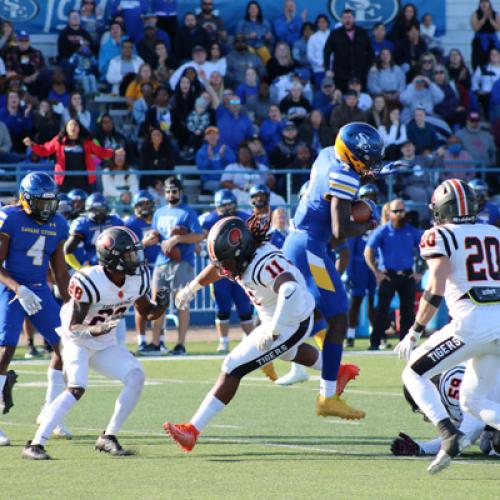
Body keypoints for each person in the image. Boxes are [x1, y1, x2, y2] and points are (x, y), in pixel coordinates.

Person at [163, 214, 324, 452]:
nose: (224, 270)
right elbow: (217, 267)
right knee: (288, 354)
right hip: (282, 314)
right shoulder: (243, 255)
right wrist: (192, 287)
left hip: (292, 319)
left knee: (232, 366)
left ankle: (192, 430)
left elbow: (289, 289)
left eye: (226, 263)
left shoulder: (261, 264)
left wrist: (276, 330)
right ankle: (336, 370)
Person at [22, 226, 168, 460]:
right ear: (112, 258)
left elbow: (147, 311)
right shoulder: (90, 280)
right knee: (76, 387)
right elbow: (74, 326)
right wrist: (96, 329)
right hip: (77, 340)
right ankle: (35, 444)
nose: (137, 260)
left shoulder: (137, 278)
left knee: (136, 375)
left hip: (105, 342)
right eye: (130, 255)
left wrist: (161, 305)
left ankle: (108, 436)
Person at [394, 178, 500, 474]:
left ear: (442, 209)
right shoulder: (494, 232)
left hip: (472, 321)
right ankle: (453, 434)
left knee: (413, 373)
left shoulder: (439, 235)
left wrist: (415, 330)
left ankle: (447, 434)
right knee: (472, 399)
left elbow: (436, 283)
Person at [282, 122, 384, 419]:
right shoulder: (343, 174)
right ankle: (328, 396)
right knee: (339, 320)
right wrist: (368, 222)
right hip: (311, 248)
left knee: (315, 314)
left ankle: (326, 375)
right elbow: (339, 231)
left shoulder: (328, 154)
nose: (370, 164)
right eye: (367, 158)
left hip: (299, 242)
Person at [0, 172, 71, 447]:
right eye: (41, 202)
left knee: (64, 345)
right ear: (26, 199)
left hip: (40, 288)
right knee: (6, 348)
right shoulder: (10, 218)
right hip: (10, 287)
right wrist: (18, 288)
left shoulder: (58, 223)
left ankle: (50, 413)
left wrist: (70, 304)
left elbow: (61, 272)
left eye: (50, 202)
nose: (47, 209)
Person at [144, 177, 204, 356]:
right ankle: (155, 343)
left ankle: (180, 345)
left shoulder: (188, 212)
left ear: (181, 192)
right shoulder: (159, 212)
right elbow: (156, 233)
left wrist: (178, 238)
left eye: (174, 191)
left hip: (182, 262)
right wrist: (150, 238)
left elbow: (198, 236)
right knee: (157, 303)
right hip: (162, 261)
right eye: (168, 191)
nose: (171, 194)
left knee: (181, 303)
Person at [391, 364, 500, 459]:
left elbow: (475, 425)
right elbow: (454, 434)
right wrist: (420, 447)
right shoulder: (445, 388)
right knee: (486, 445)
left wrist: (451, 449)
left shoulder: (450, 384)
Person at [199, 190, 253, 354]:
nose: (227, 208)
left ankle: (251, 342)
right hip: (221, 269)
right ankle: (223, 342)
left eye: (230, 204)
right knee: (222, 306)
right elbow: (202, 238)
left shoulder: (244, 217)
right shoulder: (209, 219)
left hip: (241, 268)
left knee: (244, 307)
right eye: (224, 205)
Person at [364, 198, 422, 350]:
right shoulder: (382, 231)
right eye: (396, 211)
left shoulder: (411, 231)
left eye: (402, 211)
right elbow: (368, 251)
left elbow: (426, 249)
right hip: (388, 275)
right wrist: (376, 272)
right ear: (389, 213)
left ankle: (406, 343)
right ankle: (375, 342)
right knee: (382, 311)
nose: (400, 214)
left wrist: (421, 272)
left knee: (408, 312)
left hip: (407, 275)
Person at [24, 120, 120, 193]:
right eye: (70, 125)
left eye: (75, 125)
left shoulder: (87, 141)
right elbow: (45, 150)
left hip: (84, 179)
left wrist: (114, 153)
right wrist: (32, 145)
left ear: (79, 128)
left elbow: (101, 152)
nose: (73, 127)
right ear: (66, 128)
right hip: (64, 180)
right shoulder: (59, 141)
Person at [124, 191, 162, 355]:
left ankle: (158, 341)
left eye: (148, 204)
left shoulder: (158, 220)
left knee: (160, 304)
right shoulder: (130, 223)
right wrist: (143, 244)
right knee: (141, 304)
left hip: (159, 266)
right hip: (138, 267)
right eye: (141, 204)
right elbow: (124, 249)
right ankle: (141, 341)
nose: (145, 207)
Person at [345, 184, 379, 348]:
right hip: (359, 265)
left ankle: (375, 335)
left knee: (375, 302)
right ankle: (350, 335)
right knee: (356, 300)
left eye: (372, 197)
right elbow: (350, 250)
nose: (370, 201)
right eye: (366, 197)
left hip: (375, 266)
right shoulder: (356, 221)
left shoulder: (380, 219)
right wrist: (349, 272)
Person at [64, 193, 124, 271]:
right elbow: (67, 250)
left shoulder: (115, 220)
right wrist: (80, 269)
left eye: (100, 209)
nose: (98, 213)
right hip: (93, 264)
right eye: (95, 210)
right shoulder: (82, 223)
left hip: (114, 261)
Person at [323, 9, 373, 92]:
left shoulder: (362, 32)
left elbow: (370, 50)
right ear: (341, 19)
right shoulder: (335, 34)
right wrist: (327, 69)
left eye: (349, 17)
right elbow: (327, 51)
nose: (347, 20)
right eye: (345, 17)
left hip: (360, 73)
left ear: (354, 18)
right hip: (341, 74)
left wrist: (371, 66)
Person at [195, 126, 236, 194]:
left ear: (218, 136)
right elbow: (201, 169)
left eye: (214, 134)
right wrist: (209, 158)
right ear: (205, 137)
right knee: (219, 186)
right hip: (209, 181)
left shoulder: (225, 148)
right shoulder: (201, 152)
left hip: (226, 180)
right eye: (209, 134)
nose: (212, 136)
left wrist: (223, 156)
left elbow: (233, 163)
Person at [471, 0, 500, 70]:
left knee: (493, 58)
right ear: (480, 4)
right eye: (482, 3)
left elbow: (498, 28)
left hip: (492, 41)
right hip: (479, 40)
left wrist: (490, 19)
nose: (484, 4)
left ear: (489, 4)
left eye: (486, 2)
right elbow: (475, 28)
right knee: (478, 60)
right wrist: (484, 18)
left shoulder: (495, 14)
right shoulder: (475, 14)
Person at [306, 15, 330, 87]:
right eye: (320, 22)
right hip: (319, 70)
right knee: (322, 89)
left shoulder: (333, 35)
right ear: (317, 24)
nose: (322, 24)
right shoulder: (313, 37)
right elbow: (310, 55)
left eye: (324, 21)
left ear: (327, 23)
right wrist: (320, 63)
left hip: (333, 70)